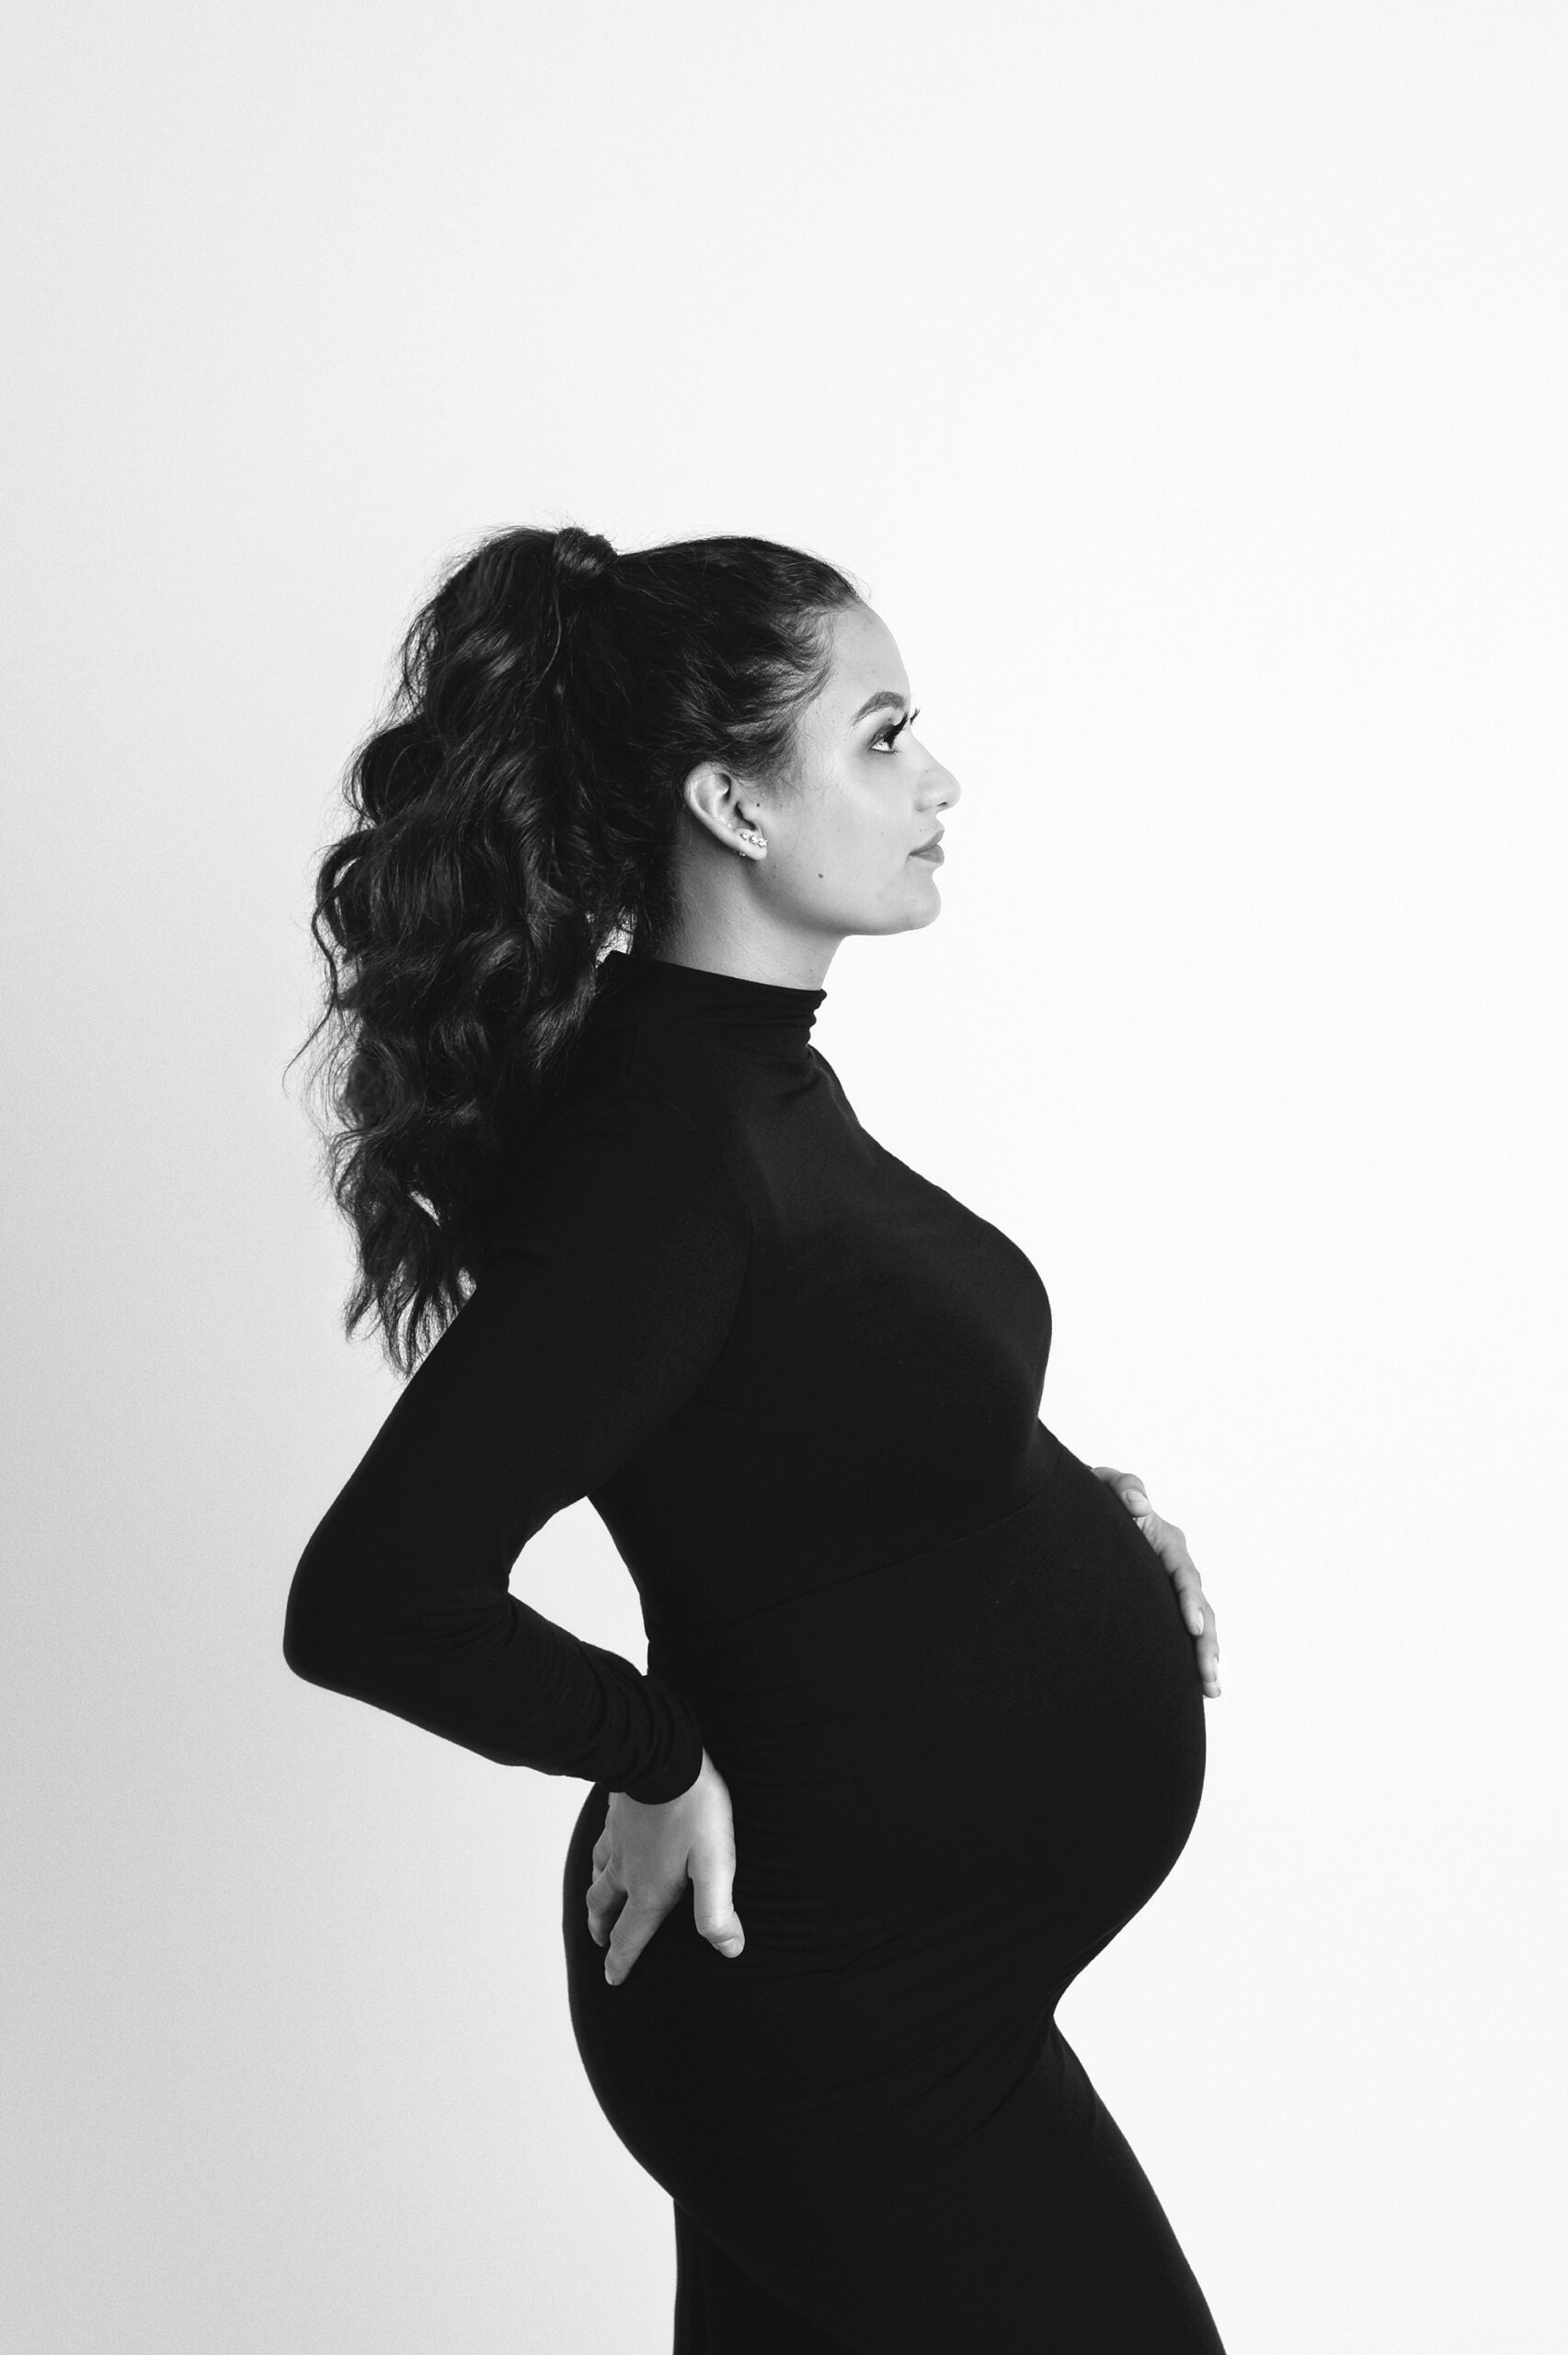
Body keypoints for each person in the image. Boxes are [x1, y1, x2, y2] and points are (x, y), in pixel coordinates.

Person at [283, 523, 1228, 2352]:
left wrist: (1042, 1504)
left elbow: (787, 1410)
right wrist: (647, 1748)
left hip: (887, 1995)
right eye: (882, 737)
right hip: (824, 2019)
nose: (935, 777)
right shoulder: (666, 1147)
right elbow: (380, 1593)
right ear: (730, 799)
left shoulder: (737, 1068)